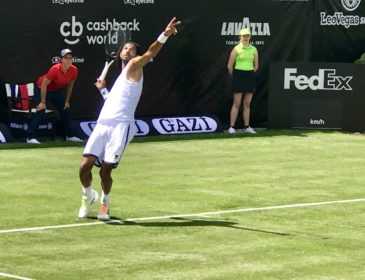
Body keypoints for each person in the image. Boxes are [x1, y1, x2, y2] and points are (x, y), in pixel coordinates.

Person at [78, 17, 181, 221]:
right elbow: (115, 103)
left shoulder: (135, 65)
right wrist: (103, 90)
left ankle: (104, 203)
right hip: (103, 124)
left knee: (105, 171)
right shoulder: (121, 76)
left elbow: (151, 51)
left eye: (132, 48)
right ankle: (88, 195)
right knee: (84, 166)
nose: (128, 50)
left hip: (121, 127)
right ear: (120, 52)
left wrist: (165, 34)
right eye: (125, 48)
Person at [26, 49, 83, 144]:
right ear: (61, 60)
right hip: (41, 88)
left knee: (65, 110)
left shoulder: (74, 70)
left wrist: (67, 101)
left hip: (56, 90)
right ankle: (30, 138)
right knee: (41, 110)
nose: (68, 60)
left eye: (70, 58)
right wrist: (43, 102)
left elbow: (70, 85)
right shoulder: (55, 69)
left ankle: (70, 136)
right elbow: (44, 85)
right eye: (66, 58)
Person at [227, 28, 259, 134]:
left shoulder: (254, 49)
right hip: (238, 76)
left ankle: (247, 127)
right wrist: (235, 75)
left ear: (250, 37)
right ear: (240, 37)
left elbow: (256, 65)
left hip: (249, 76)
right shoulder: (236, 49)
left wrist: (249, 73)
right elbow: (229, 66)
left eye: (247, 36)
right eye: (243, 36)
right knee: (236, 103)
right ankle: (232, 127)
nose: (245, 38)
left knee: (247, 103)